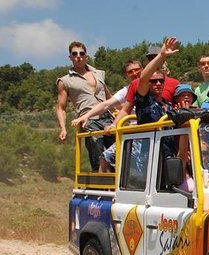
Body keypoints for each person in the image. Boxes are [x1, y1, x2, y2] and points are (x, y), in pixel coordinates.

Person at [99, 37, 179, 172]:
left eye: (161, 80)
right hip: (148, 152)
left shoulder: (168, 106)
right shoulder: (145, 100)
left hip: (168, 153)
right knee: (106, 157)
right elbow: (143, 79)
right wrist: (161, 55)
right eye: (153, 81)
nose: (158, 83)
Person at [56, 41, 113, 170]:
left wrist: (127, 111)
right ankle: (100, 186)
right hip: (88, 120)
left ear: (86, 56)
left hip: (107, 117)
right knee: (97, 154)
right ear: (70, 57)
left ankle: (115, 185)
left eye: (81, 53)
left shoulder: (98, 73)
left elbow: (109, 97)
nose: (78, 56)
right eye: (74, 54)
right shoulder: (65, 81)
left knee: (117, 152)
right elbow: (61, 107)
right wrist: (63, 129)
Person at [71, 59, 142, 129]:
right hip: (136, 130)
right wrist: (86, 116)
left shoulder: (152, 84)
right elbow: (105, 105)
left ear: (143, 70)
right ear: (126, 75)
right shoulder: (126, 91)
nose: (134, 73)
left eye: (137, 70)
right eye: (130, 72)